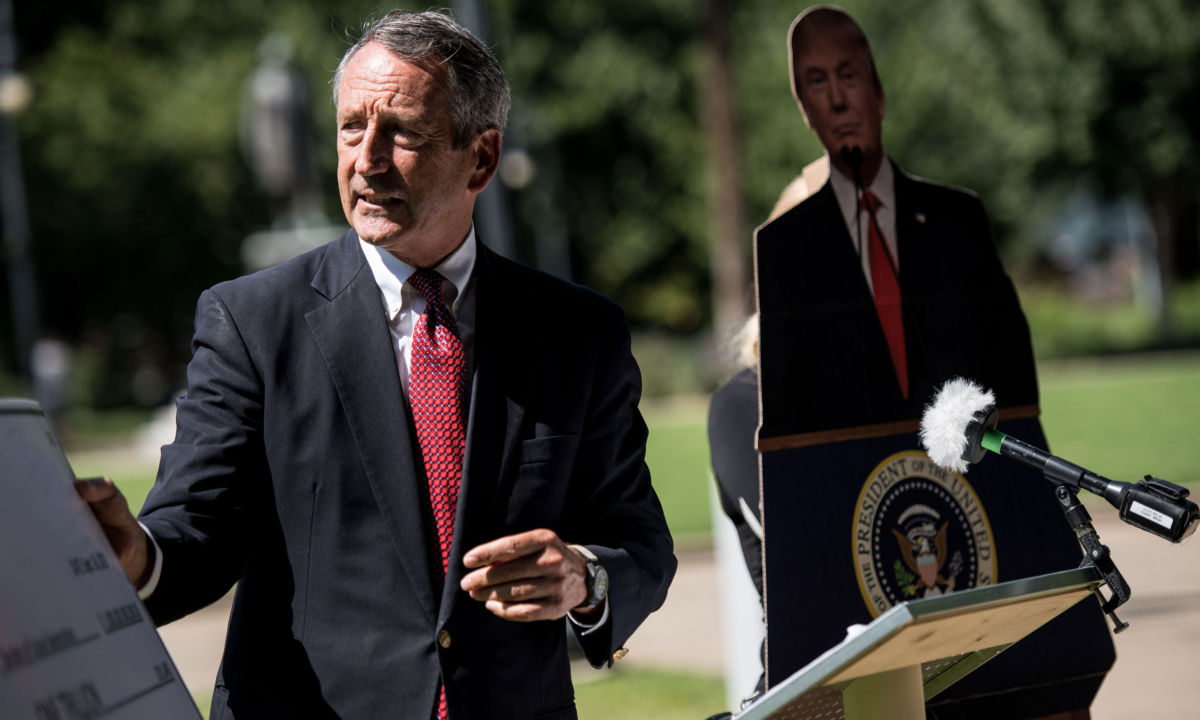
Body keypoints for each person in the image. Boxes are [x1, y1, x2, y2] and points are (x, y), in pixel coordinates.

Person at [75, 10, 676, 720]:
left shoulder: (578, 332)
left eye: (403, 132)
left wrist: (584, 579)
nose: (367, 158)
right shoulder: (252, 322)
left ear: (481, 158)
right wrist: (135, 560)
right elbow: (198, 527)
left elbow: (637, 540)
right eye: (351, 127)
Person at [756, 5, 1039, 441]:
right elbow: (787, 427)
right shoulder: (782, 249)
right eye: (817, 83)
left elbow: (1013, 381)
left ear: (879, 94)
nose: (837, 99)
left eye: (848, 76)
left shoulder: (959, 221)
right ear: (805, 111)